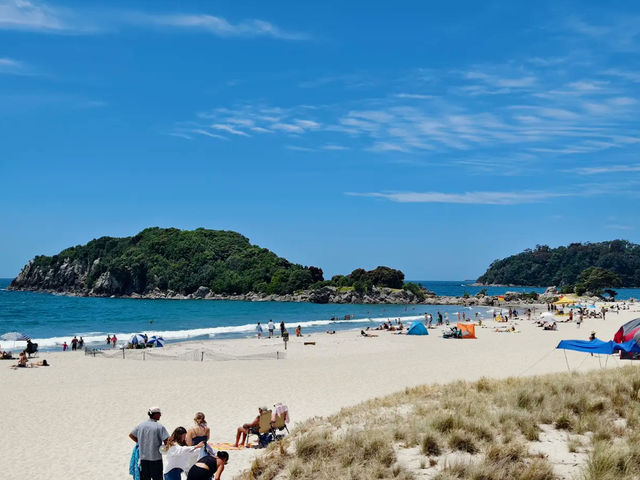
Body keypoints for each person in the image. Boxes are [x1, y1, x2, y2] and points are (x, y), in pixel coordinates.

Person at [129, 406, 170, 480]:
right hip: (156, 460)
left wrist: (140, 442)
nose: (160, 415)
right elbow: (167, 441)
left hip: (143, 459)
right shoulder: (159, 427)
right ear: (155, 414)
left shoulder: (141, 425)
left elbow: (131, 435)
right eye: (159, 413)